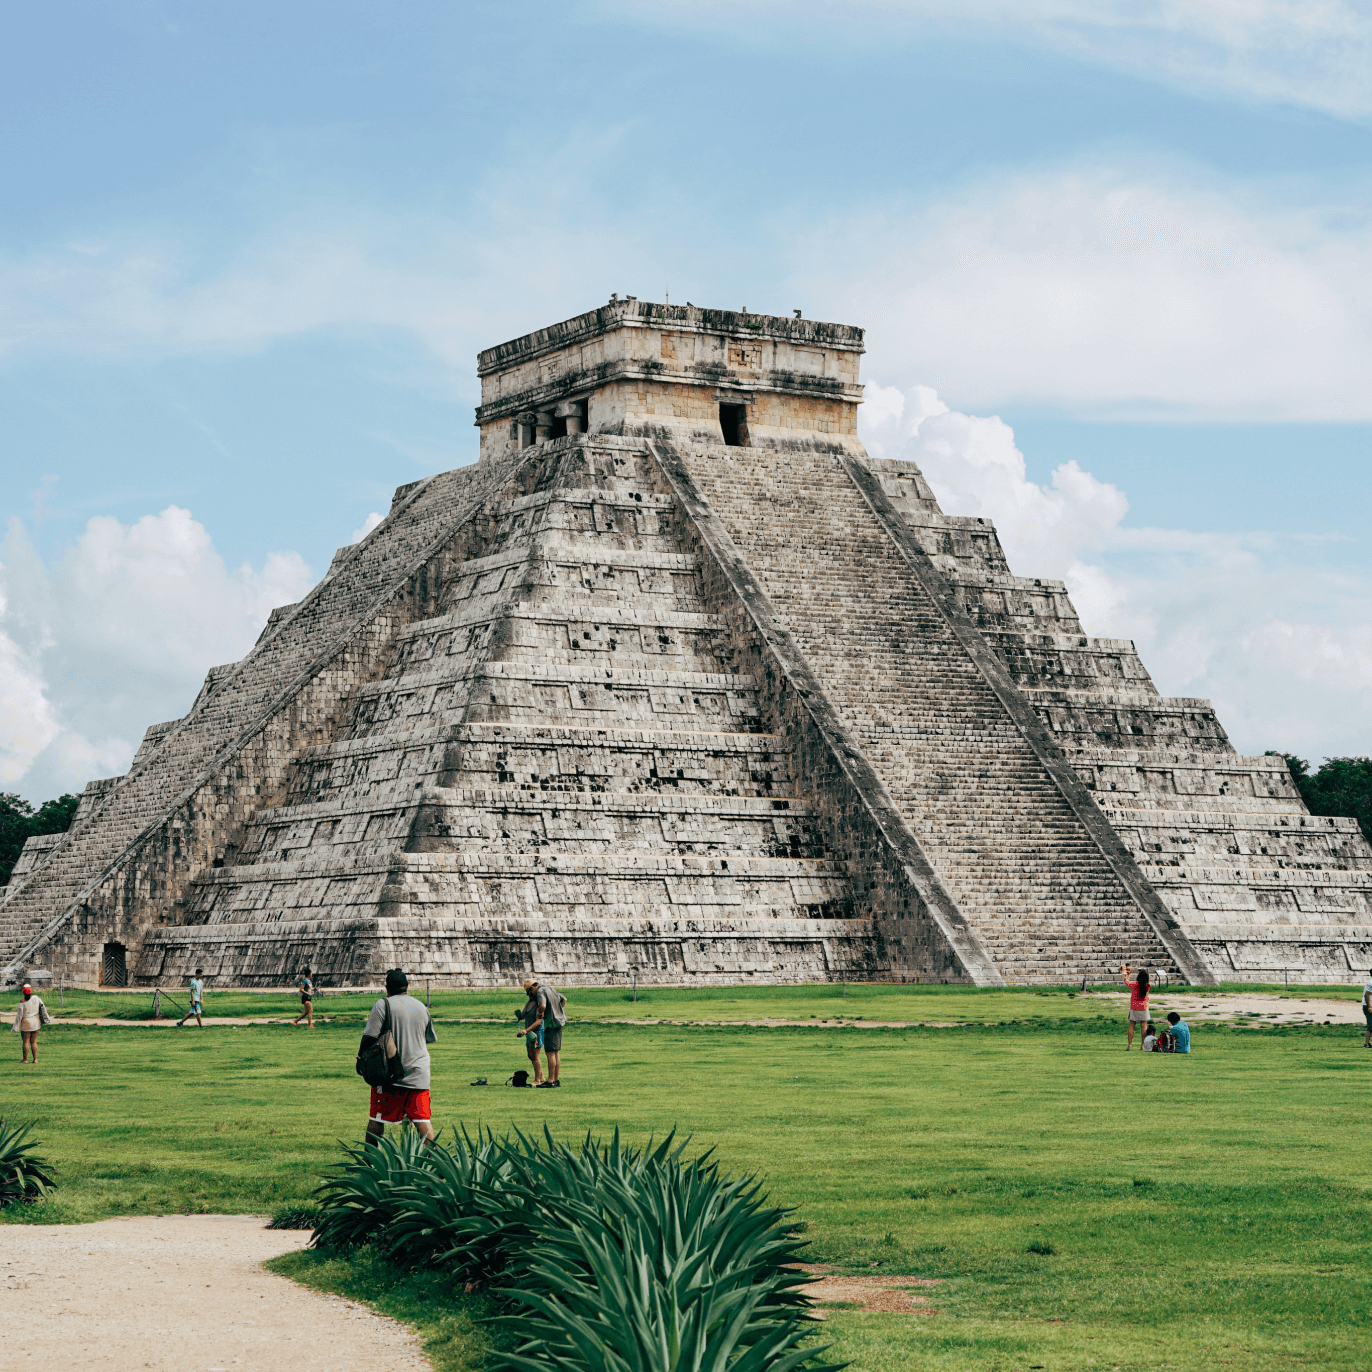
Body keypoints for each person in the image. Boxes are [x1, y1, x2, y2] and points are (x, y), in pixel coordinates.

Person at [359, 968, 437, 1144]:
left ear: (387, 988)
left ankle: (368, 1164)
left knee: (377, 1118)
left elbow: (370, 1036)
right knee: (422, 1120)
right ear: (406, 986)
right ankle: (438, 1164)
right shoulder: (421, 1007)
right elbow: (427, 1038)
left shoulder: (383, 1004)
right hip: (419, 1073)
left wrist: (360, 1059)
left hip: (391, 1073)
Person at [520, 978, 567, 1088]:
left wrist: (540, 1013)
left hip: (550, 1024)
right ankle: (556, 1079)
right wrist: (558, 1011)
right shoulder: (550, 988)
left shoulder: (540, 991)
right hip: (559, 1022)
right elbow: (564, 999)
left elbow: (543, 1006)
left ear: (532, 987)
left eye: (529, 992)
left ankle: (550, 1081)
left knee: (550, 1053)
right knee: (555, 1052)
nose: (530, 994)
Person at [12, 983, 51, 1063]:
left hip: (26, 1022)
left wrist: (16, 1027)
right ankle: (35, 1059)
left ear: (23, 992)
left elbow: (19, 1016)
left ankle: (25, 1059)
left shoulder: (22, 1002)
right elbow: (43, 1008)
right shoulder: (36, 998)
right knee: (34, 1041)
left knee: (25, 1041)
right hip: (36, 1022)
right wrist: (45, 1019)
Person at [515, 987, 545, 1085]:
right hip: (528, 1033)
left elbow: (539, 1021)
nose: (528, 994)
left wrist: (526, 1030)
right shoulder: (528, 1003)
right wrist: (518, 1014)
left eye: (529, 992)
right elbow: (523, 1015)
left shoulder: (539, 1005)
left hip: (536, 1033)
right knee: (530, 1055)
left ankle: (537, 1080)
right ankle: (541, 1076)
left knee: (535, 1056)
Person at [1120, 963, 1151, 1051]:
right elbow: (1148, 981)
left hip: (1134, 1007)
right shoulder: (1147, 986)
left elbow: (1127, 982)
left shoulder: (1135, 985)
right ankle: (1142, 1045)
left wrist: (1126, 973)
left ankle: (1129, 1045)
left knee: (1131, 1026)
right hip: (1144, 1007)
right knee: (1143, 1026)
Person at [1362, 972, 1372, 1049]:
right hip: (1368, 1006)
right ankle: (1366, 1043)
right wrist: (1369, 1006)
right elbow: (1366, 995)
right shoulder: (1370, 983)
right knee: (1370, 1024)